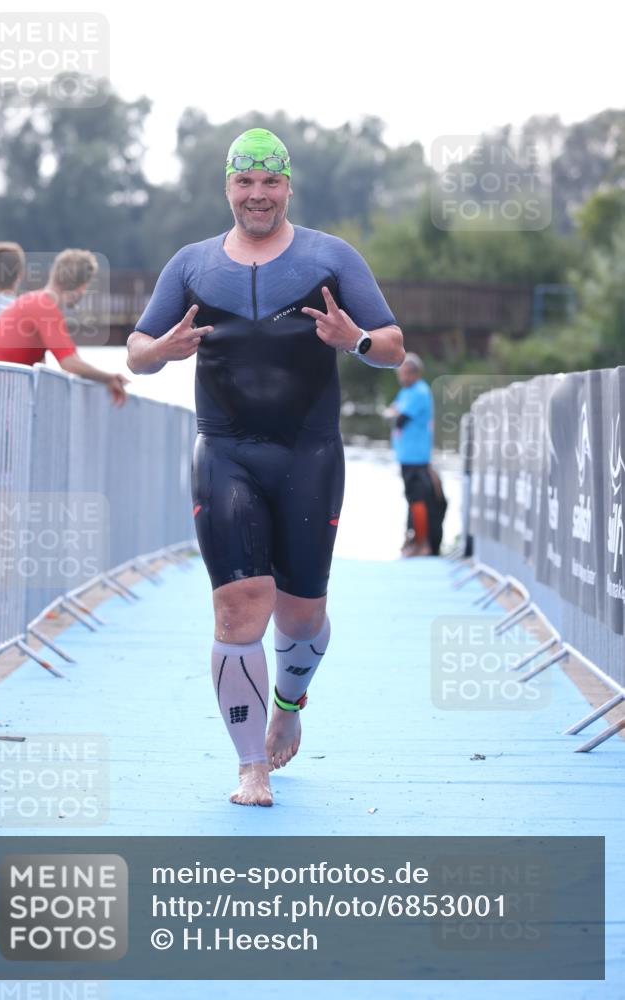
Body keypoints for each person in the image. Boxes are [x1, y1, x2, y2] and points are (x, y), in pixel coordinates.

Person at [126, 127, 404, 807]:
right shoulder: (191, 265)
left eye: (269, 182)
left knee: (301, 616)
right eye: (244, 183)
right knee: (238, 606)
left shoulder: (329, 257)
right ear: (227, 187)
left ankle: (290, 698)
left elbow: (392, 348)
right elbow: (135, 352)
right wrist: (162, 348)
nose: (256, 195)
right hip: (225, 452)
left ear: (286, 186)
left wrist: (355, 339)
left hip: (308, 455)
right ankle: (250, 766)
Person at [0, 249, 128, 406]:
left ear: (53, 273)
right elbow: (69, 362)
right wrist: (109, 378)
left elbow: (68, 360)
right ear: (82, 287)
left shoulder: (34, 300)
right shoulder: (46, 308)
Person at [386, 354, 436, 557]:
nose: (401, 377)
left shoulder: (419, 392)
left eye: (405, 372)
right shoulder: (406, 392)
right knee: (412, 498)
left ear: (415, 373)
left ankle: (421, 542)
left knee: (417, 498)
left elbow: (398, 419)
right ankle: (412, 538)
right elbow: (391, 411)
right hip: (406, 455)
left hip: (416, 456)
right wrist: (393, 413)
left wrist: (394, 413)